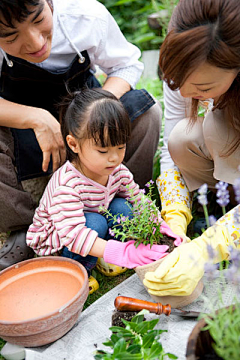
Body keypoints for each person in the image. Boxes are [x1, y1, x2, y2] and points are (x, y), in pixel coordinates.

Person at [0, 0, 162, 270]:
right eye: (10, 36)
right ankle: (22, 229)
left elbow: (126, 65)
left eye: (39, 20)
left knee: (147, 111)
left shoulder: (85, 15)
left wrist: (95, 118)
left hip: (88, 109)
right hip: (23, 124)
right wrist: (37, 119)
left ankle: (125, 209)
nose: (34, 42)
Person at [26, 88, 179, 293]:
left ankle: (100, 256)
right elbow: (73, 234)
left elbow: (138, 199)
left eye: (121, 147)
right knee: (95, 223)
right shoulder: (67, 185)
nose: (114, 158)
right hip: (59, 243)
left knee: (123, 207)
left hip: (88, 226)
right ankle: (75, 269)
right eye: (103, 151)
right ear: (74, 144)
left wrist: (160, 225)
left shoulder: (117, 171)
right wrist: (121, 252)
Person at [143, 0, 240, 297]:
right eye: (177, 81)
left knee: (216, 124)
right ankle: (217, 204)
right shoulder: (188, 67)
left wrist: (208, 248)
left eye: (204, 87)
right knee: (180, 139)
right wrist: (174, 210)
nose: (184, 93)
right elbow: (171, 144)